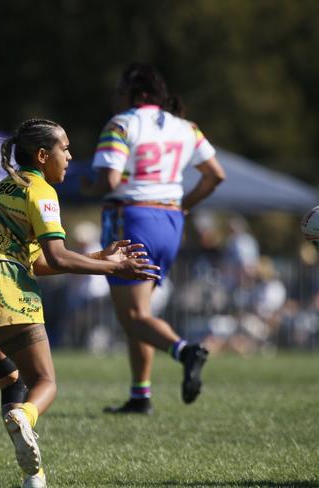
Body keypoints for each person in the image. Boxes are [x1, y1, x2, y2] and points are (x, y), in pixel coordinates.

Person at [0, 118, 160, 488]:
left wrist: (98, 257)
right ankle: (25, 417)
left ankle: (34, 477)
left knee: (12, 382)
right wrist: (112, 265)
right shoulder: (41, 190)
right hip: (0, 284)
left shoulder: (3, 187)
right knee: (44, 383)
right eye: (65, 149)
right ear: (43, 155)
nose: (70, 157)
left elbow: (39, 261)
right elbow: (58, 259)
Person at [82, 62, 226, 414]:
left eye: (121, 90)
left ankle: (185, 350)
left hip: (132, 216)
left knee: (131, 315)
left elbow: (111, 181)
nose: (116, 97)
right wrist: (184, 206)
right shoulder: (186, 127)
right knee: (141, 314)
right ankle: (140, 395)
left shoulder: (122, 123)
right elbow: (214, 176)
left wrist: (87, 188)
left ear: (139, 94)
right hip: (170, 220)